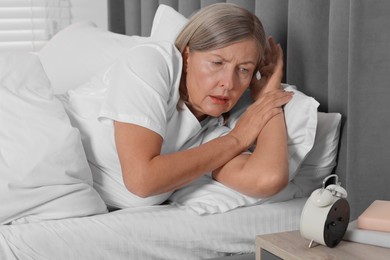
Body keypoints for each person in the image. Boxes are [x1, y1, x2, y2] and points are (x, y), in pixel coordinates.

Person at [97, 3, 294, 206]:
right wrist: (237, 139)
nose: (228, 83)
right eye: (217, 63)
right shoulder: (151, 63)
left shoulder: (214, 131)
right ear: (187, 56)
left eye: (243, 70)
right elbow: (141, 180)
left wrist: (269, 97)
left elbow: (268, 179)